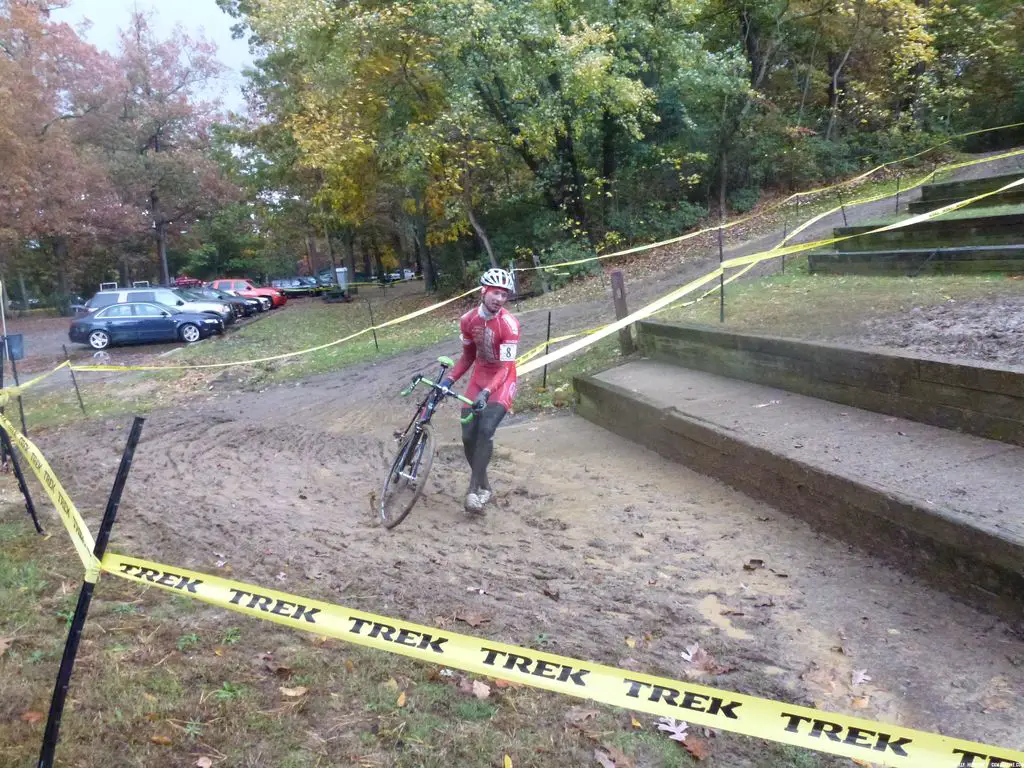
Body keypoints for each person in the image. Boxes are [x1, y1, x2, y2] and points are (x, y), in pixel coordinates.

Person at [440, 268, 520, 513]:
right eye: (496, 293)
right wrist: (449, 380)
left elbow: (506, 367)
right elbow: (467, 357)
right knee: (467, 437)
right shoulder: (467, 320)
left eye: (504, 295)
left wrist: (487, 392)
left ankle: (472, 492)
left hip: (502, 381)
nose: (499, 299)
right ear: (483, 291)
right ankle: (485, 487)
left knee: (485, 430)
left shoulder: (509, 324)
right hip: (479, 378)